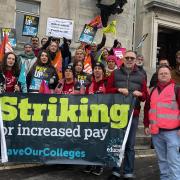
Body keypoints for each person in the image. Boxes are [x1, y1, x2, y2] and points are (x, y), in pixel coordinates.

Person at [107, 50, 147, 179]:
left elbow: (145, 95)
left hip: (133, 115)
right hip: (117, 114)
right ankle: (115, 170)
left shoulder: (141, 75)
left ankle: (129, 171)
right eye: (127, 57)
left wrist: (140, 94)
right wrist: (118, 90)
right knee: (117, 143)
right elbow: (107, 91)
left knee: (130, 144)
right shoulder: (115, 73)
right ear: (123, 59)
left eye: (132, 58)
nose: (129, 60)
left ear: (135, 60)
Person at [144, 65, 180, 180]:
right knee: (162, 160)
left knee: (173, 160)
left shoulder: (177, 89)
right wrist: (145, 124)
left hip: (173, 133)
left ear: (170, 75)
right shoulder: (153, 90)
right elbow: (147, 108)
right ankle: (165, 178)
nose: (163, 75)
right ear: (157, 76)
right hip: (156, 132)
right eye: (161, 73)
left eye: (166, 73)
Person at [84, 62, 107, 176]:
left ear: (103, 71)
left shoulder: (106, 83)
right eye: (95, 68)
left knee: (100, 142)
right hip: (90, 117)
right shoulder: (90, 85)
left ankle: (99, 164)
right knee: (90, 141)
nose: (97, 70)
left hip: (103, 118)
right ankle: (90, 162)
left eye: (99, 69)